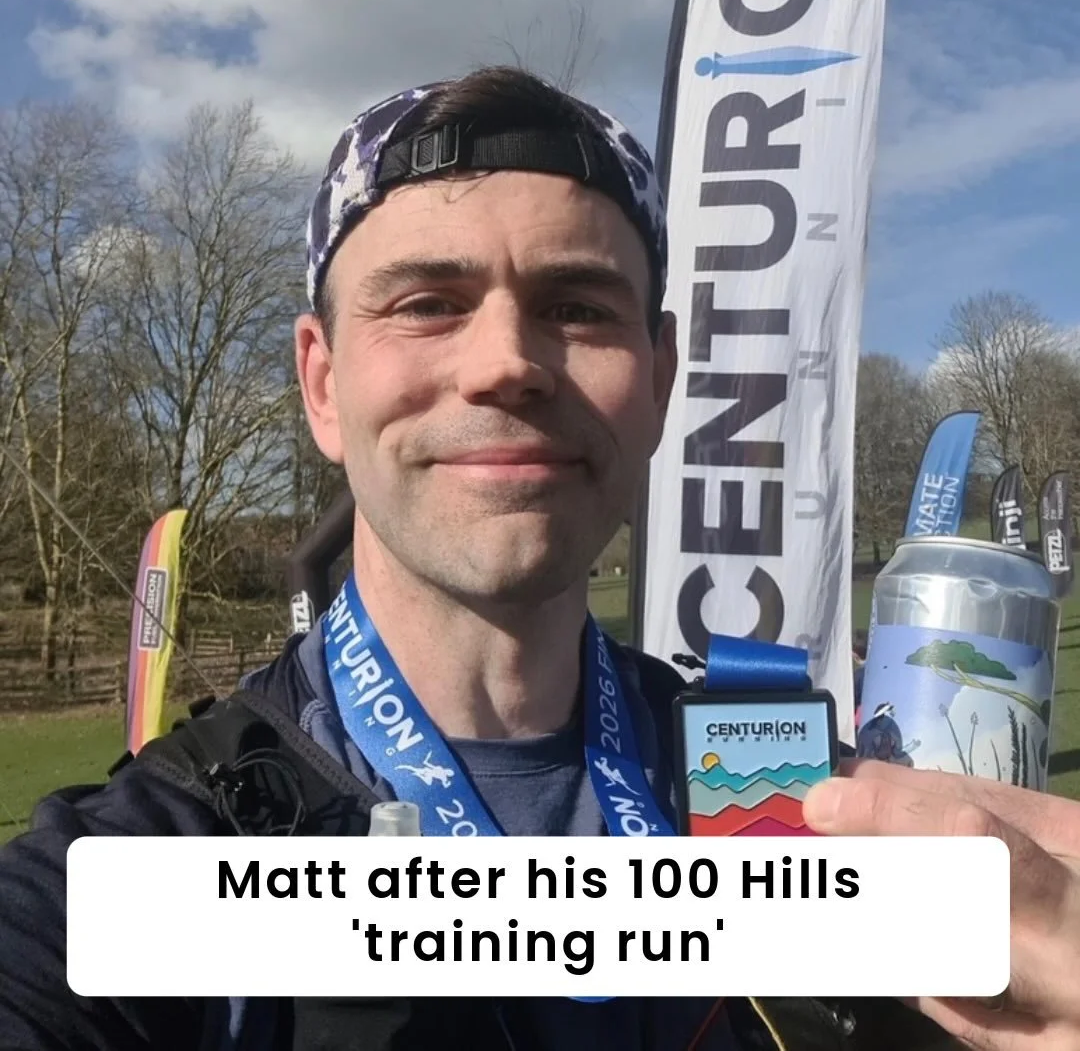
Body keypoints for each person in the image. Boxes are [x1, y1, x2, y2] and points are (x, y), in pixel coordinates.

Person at [1, 66, 1079, 1051]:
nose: (508, 362)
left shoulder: (790, 791)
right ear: (323, 384)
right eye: (427, 304)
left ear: (659, 378)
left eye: (576, 307)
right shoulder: (138, 868)